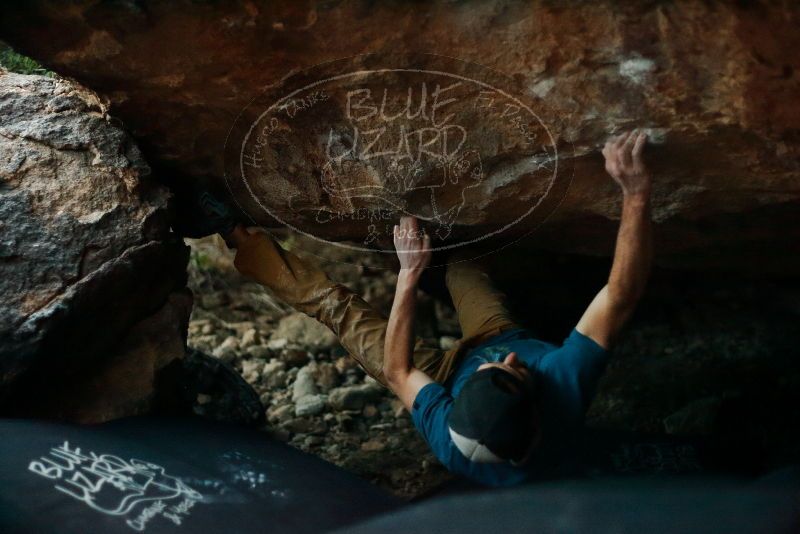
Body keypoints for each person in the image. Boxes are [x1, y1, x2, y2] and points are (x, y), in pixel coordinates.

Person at [185, 129, 652, 487]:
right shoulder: (565, 384)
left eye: (501, 370)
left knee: (338, 309)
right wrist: (635, 193)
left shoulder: (450, 437)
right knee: (465, 265)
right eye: (512, 372)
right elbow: (620, 295)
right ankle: (437, 261)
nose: (511, 360)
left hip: (436, 374)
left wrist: (407, 275)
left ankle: (235, 235)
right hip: (494, 331)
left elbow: (399, 371)